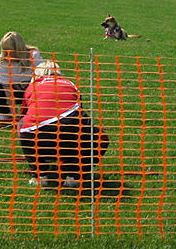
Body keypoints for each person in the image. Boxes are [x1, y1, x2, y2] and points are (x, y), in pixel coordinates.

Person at [18, 59, 109, 188]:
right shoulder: (70, 84)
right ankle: (74, 175)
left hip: (35, 136)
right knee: (97, 136)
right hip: (70, 133)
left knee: (23, 125)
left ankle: (39, 174)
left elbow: (23, 113)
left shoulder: (32, 86)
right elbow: (79, 108)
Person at [0, 31, 42, 121]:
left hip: (32, 90)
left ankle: (35, 114)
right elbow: (7, 91)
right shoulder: (2, 63)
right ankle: (4, 115)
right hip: (13, 91)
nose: (7, 54)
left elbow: (41, 80)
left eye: (10, 50)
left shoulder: (34, 56)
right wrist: (14, 114)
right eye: (5, 50)